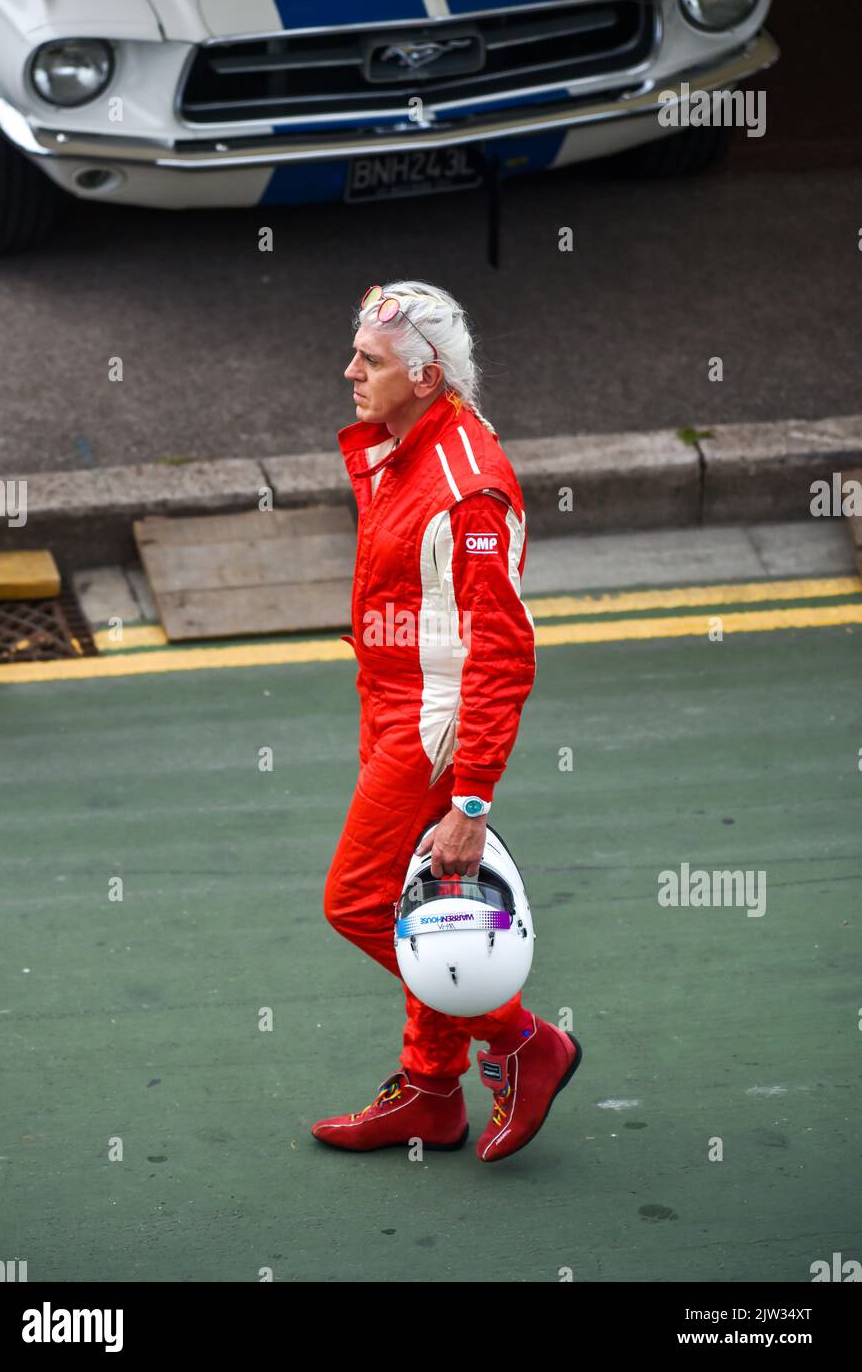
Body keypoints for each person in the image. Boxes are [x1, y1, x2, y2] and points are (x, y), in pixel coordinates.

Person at [312, 281, 581, 1163]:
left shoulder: (468, 491)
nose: (349, 370)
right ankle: (429, 1094)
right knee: (412, 904)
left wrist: (471, 803)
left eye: (372, 361)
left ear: (426, 377)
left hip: (429, 726)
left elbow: (503, 656)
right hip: (389, 699)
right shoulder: (408, 441)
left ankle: (520, 1041)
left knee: (358, 902)